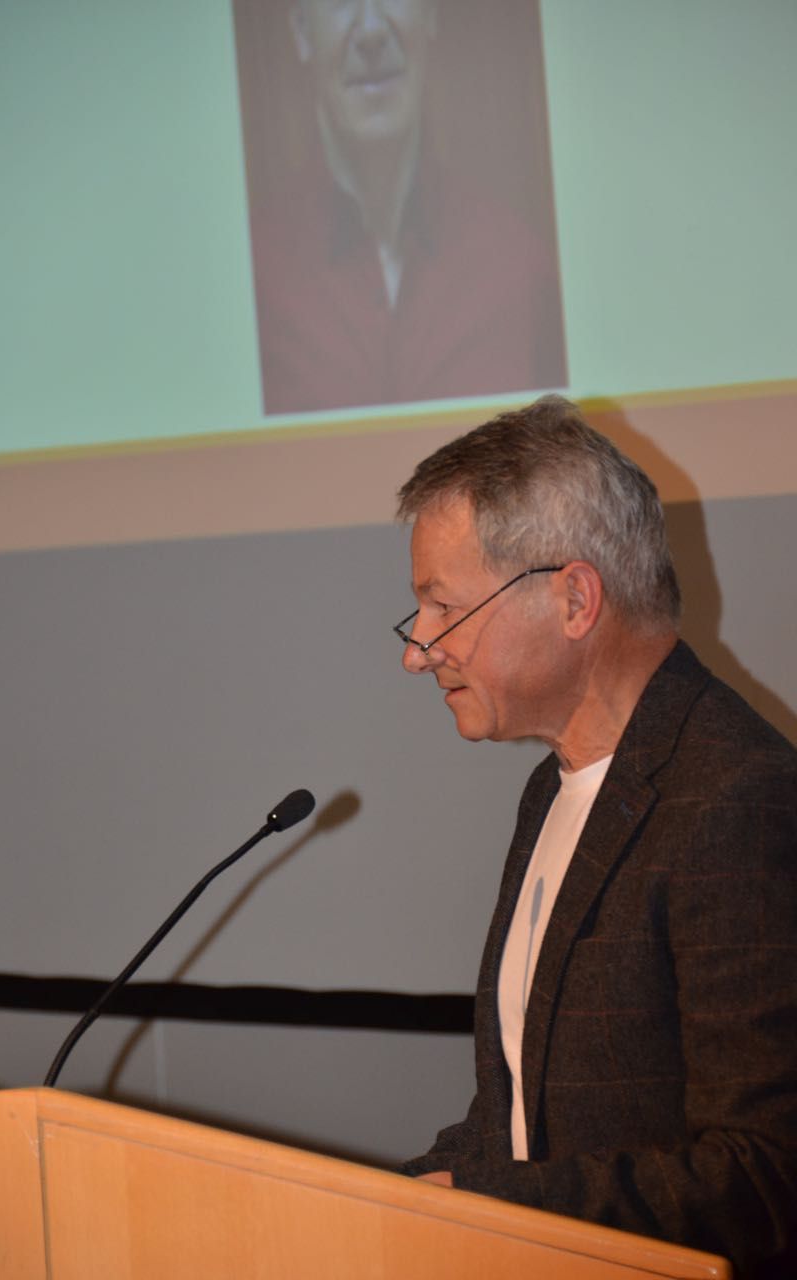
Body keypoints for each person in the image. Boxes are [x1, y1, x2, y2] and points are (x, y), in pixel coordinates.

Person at [394, 396, 797, 1279]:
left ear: (575, 599)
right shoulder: (554, 787)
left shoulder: (736, 795)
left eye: (442, 607)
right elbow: (517, 1123)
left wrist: (487, 1204)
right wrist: (381, 1204)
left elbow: (766, 1175)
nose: (417, 651)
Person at [245, 0, 566, 413]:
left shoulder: (519, 264)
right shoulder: (252, 280)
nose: (371, 30)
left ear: (430, 13)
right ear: (302, 30)